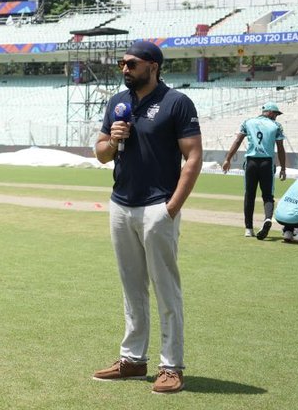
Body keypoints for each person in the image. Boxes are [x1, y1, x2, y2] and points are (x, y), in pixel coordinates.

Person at [93, 42, 202, 395]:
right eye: (121, 64)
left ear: (152, 66)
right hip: (121, 205)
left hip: (158, 207)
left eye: (131, 63)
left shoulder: (177, 103)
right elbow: (100, 153)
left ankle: (171, 367)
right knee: (132, 287)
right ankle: (132, 360)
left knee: (166, 288)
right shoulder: (117, 103)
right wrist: (113, 140)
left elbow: (194, 157)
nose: (124, 69)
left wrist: (172, 208)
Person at [221, 102, 286, 238]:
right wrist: (283, 168)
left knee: (249, 195)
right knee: (268, 195)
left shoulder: (248, 122)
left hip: (251, 162)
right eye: (275, 114)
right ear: (269, 112)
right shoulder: (276, 126)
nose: (276, 117)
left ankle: (248, 229)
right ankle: (268, 218)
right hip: (266, 163)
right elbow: (280, 148)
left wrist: (228, 159)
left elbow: (238, 141)